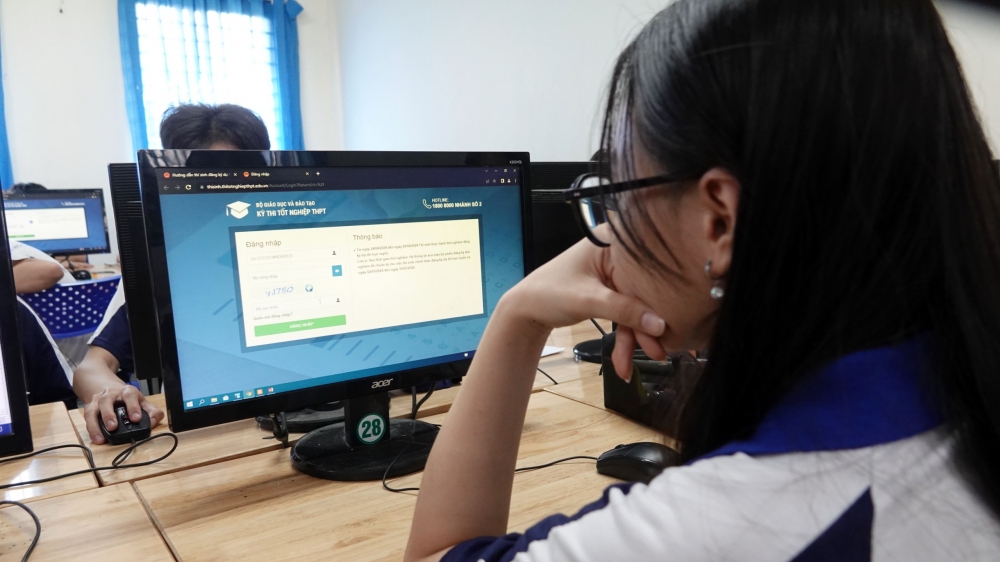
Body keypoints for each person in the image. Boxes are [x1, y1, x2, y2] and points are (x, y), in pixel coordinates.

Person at [404, 1, 1000, 560]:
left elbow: (437, 552)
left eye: (618, 194)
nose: (608, 233)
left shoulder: (717, 524)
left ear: (719, 221)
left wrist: (517, 315)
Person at [74, 103, 271, 445]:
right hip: (221, 430)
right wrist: (114, 392)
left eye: (240, 176)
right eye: (208, 180)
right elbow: (90, 367)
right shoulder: (166, 268)